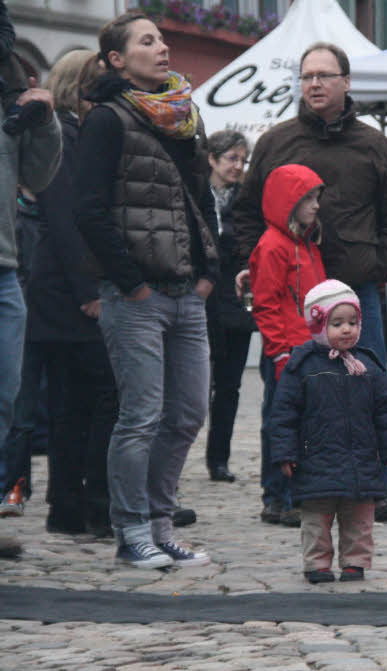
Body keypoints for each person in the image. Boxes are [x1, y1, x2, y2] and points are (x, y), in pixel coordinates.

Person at [232, 41, 387, 524]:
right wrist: (255, 264)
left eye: (324, 75)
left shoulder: (374, 145)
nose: (314, 83)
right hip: (292, 297)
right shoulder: (276, 141)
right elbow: (246, 213)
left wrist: (375, 265)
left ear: (346, 82)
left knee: (365, 391)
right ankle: (281, 494)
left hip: (357, 296)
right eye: (307, 75)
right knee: (287, 392)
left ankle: (368, 492)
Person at [75, 13, 218, 569]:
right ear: (117, 60)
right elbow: (86, 208)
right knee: (140, 416)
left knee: (185, 414)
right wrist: (129, 283)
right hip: (136, 295)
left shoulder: (184, 118)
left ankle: (160, 524)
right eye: (147, 41)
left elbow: (201, 199)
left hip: (187, 292)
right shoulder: (107, 120)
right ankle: (131, 530)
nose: (162, 47)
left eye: (161, 38)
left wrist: (209, 271)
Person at [5, 50, 117, 536]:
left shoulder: (64, 129)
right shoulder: (68, 133)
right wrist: (88, 289)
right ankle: (77, 500)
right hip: (59, 290)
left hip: (42, 285)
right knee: (80, 396)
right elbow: (64, 214)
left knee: (55, 400)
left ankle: (65, 503)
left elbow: (47, 190)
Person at [271, 279, 387, 584]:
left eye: (353, 322)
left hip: (361, 460)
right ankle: (317, 564)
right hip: (315, 459)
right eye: (337, 323)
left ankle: (354, 562)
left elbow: (385, 412)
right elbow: (283, 415)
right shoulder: (302, 366)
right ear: (319, 326)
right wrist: (285, 453)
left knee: (360, 517)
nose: (347, 329)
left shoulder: (367, 366)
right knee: (317, 518)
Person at [0, 20, 60, 507]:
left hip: (5, 268)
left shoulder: (8, 91)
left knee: (7, 400)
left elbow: (38, 175)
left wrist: (45, 122)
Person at [248, 163, 327, 527]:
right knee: (280, 424)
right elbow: (266, 303)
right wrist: (278, 351)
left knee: (304, 425)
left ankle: (296, 494)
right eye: (308, 198)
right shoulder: (273, 247)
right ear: (288, 202)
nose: (316, 205)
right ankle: (277, 497)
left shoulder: (307, 245)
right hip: (286, 352)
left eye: (316, 197)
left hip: (309, 348)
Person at [204, 130, 254, 484]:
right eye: (231, 159)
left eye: (242, 159)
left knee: (229, 385)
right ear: (212, 159)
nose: (237, 166)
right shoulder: (196, 194)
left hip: (235, 302)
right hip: (202, 297)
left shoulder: (246, 201)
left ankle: (218, 457)